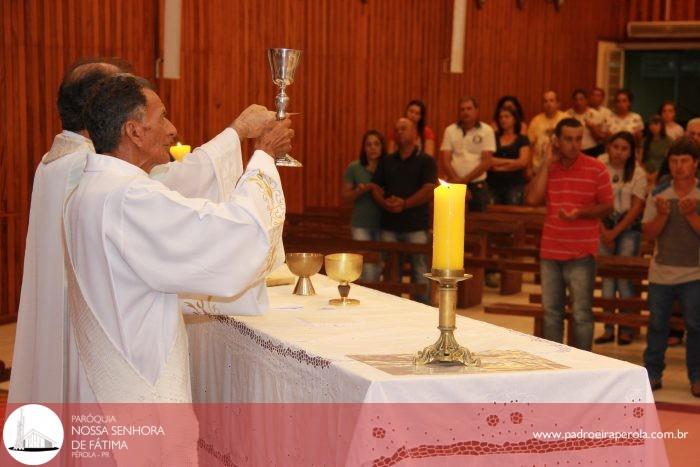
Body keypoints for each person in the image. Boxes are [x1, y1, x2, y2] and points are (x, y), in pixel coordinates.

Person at [62, 74, 293, 403]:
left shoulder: (88, 188)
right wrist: (264, 158)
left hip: (108, 371)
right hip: (139, 384)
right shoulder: (129, 197)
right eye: (162, 117)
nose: (171, 129)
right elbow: (231, 236)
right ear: (134, 131)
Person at [525, 118, 613, 350]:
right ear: (557, 140)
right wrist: (545, 162)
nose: (574, 144)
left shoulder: (596, 168)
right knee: (552, 313)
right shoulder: (550, 168)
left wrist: (581, 213)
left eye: (578, 139)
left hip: (582, 254)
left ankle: (582, 366)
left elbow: (608, 206)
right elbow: (533, 199)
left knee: (581, 314)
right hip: (551, 252)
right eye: (568, 139)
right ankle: (555, 365)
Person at [641, 137, 700, 397]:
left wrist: (691, 215)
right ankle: (652, 374)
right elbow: (648, 233)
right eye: (674, 161)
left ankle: (697, 377)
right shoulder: (658, 194)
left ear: (695, 164)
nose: (678, 167)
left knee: (696, 326)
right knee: (657, 325)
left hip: (695, 273)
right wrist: (664, 215)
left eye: (684, 161)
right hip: (661, 273)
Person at [371, 118, 437, 303]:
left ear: (415, 133)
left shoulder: (426, 161)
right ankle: (393, 307)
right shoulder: (387, 160)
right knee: (392, 272)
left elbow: (429, 190)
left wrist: (405, 203)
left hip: (416, 225)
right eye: (397, 129)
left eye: (404, 128)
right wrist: (385, 203)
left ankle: (423, 310)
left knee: (420, 272)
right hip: (390, 225)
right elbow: (375, 186)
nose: (399, 132)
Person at [594, 132, 647, 345]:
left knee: (623, 277)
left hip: (628, 228)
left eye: (625, 148)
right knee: (607, 277)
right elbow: (591, 199)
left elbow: (636, 208)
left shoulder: (638, 173)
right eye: (616, 146)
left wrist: (614, 233)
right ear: (609, 147)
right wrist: (602, 230)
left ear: (631, 151)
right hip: (602, 223)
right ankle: (607, 327)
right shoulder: (599, 166)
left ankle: (626, 327)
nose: (619, 152)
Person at [342, 130, 386, 281]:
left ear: (382, 147)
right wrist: (358, 191)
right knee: (367, 267)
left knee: (380, 265)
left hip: (384, 223)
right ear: (364, 148)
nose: (373, 148)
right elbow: (345, 196)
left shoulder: (388, 166)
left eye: (376, 144)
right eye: (369, 144)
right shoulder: (354, 167)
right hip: (361, 223)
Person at [440, 96, 495, 212]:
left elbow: (486, 162)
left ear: (476, 110)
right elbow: (445, 160)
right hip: (453, 182)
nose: (465, 112)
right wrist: (458, 183)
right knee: (451, 216)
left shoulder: (487, 130)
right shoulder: (450, 130)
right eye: (462, 109)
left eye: (469, 109)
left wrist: (463, 182)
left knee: (478, 222)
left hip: (477, 184)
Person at [487, 107, 530, 205]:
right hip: (493, 184)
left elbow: (523, 162)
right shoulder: (493, 138)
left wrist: (500, 168)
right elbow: (488, 160)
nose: (503, 120)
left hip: (514, 184)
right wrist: (513, 162)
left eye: (506, 117)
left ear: (514, 119)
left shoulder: (522, 139)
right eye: (501, 117)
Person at [528, 90, 566, 174]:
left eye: (551, 100)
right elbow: (530, 146)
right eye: (545, 101)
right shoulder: (535, 121)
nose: (548, 104)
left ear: (558, 103)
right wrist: (529, 168)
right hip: (538, 167)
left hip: (560, 167)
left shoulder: (565, 119)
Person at [565, 89, 606, 157]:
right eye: (576, 99)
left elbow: (600, 139)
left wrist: (592, 128)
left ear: (586, 100)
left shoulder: (596, 115)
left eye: (581, 99)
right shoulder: (567, 115)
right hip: (573, 150)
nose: (578, 102)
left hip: (592, 150)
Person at [642, 115, 673, 185]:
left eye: (656, 124)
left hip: (662, 174)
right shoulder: (645, 141)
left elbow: (669, 161)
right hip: (645, 174)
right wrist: (646, 174)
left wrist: (656, 174)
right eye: (651, 124)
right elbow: (640, 160)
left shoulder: (669, 141)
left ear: (662, 126)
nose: (653, 126)